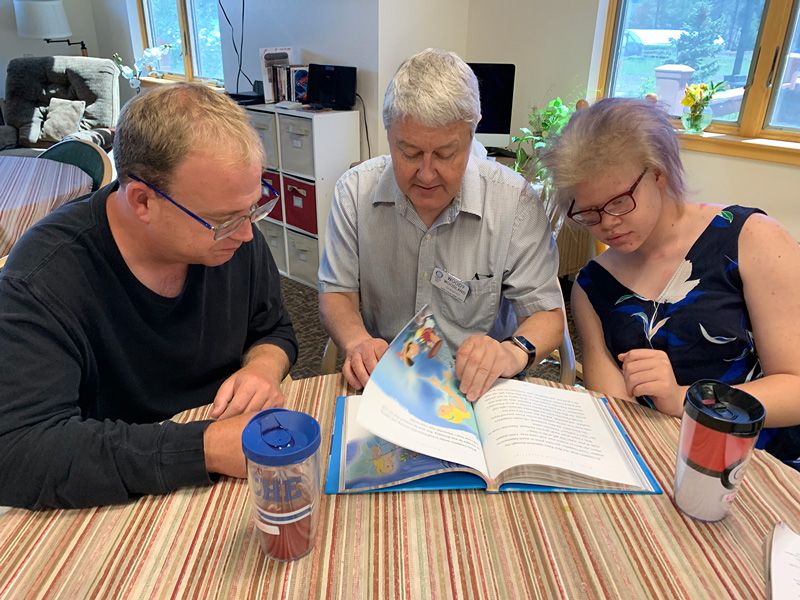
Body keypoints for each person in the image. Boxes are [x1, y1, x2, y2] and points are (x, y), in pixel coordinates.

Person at [0, 83, 299, 509]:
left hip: (229, 475)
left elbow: (273, 327)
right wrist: (205, 447)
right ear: (142, 200)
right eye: (224, 219)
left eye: (254, 208)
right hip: (113, 497)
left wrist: (265, 367)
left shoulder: (234, 234)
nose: (248, 233)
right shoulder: (45, 278)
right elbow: (19, 451)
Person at [541, 97, 800, 468]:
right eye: (589, 212)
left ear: (658, 173)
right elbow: (614, 413)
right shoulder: (593, 286)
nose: (607, 224)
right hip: (655, 464)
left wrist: (685, 400)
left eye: (618, 202)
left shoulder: (750, 239)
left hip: (764, 465)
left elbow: (794, 386)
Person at [317, 48, 564, 401]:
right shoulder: (354, 192)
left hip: (478, 388)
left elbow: (548, 315)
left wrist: (511, 351)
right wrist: (357, 340)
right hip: (386, 380)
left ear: (471, 137)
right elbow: (336, 292)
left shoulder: (514, 201)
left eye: (446, 154)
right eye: (410, 152)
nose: (427, 173)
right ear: (389, 136)